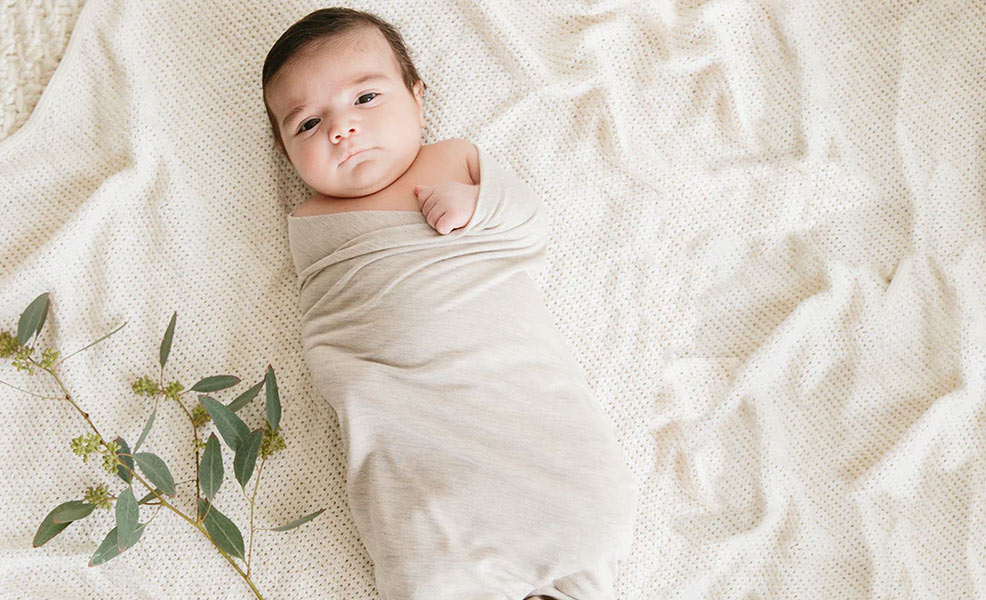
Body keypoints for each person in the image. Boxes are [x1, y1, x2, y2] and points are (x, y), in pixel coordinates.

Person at [262, 7, 479, 236]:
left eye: (365, 98)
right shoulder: (309, 220)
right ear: (286, 152)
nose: (341, 128)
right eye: (309, 124)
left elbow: (509, 199)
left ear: (417, 101)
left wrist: (476, 204)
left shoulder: (455, 156)